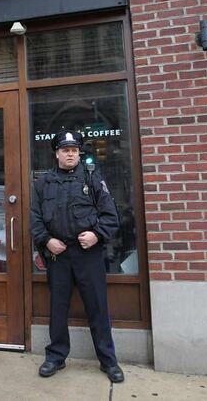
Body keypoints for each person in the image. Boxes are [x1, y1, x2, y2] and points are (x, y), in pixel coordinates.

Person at [30, 129, 124, 383]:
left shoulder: (93, 179)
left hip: (88, 254)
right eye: (65, 150)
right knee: (58, 308)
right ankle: (55, 357)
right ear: (56, 154)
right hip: (58, 255)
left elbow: (111, 216)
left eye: (74, 150)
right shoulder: (43, 183)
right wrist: (47, 241)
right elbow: (34, 219)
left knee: (97, 306)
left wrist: (97, 235)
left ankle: (108, 360)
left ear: (79, 153)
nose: (70, 154)